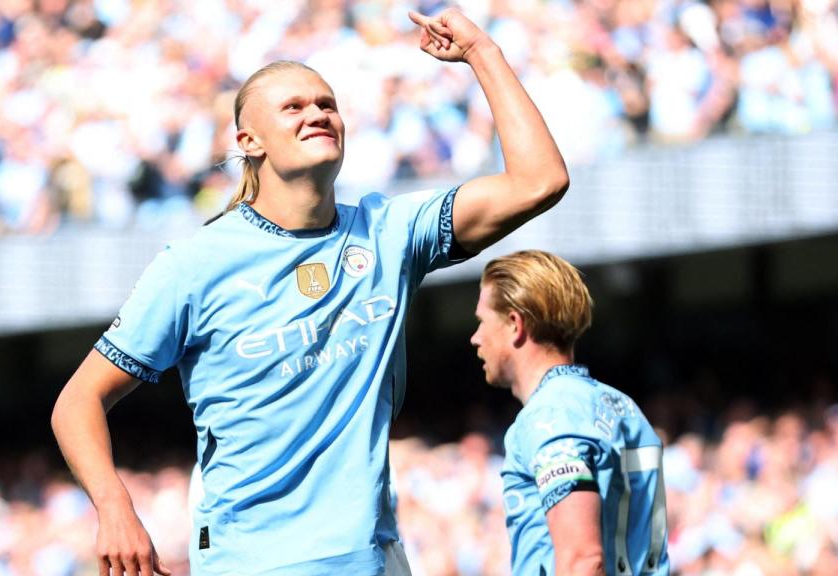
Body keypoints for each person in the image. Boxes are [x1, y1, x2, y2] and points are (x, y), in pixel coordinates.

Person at [50, 8, 568, 576]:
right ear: (250, 141)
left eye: (327, 104)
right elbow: (77, 402)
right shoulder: (193, 266)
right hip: (250, 561)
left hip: (369, 556)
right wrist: (115, 508)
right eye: (293, 107)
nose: (318, 113)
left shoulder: (388, 232)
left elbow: (539, 181)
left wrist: (482, 54)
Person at [470, 250, 669, 576]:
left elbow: (583, 560)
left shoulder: (551, 416)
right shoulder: (622, 406)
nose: (475, 338)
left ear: (514, 324)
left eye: (481, 321)